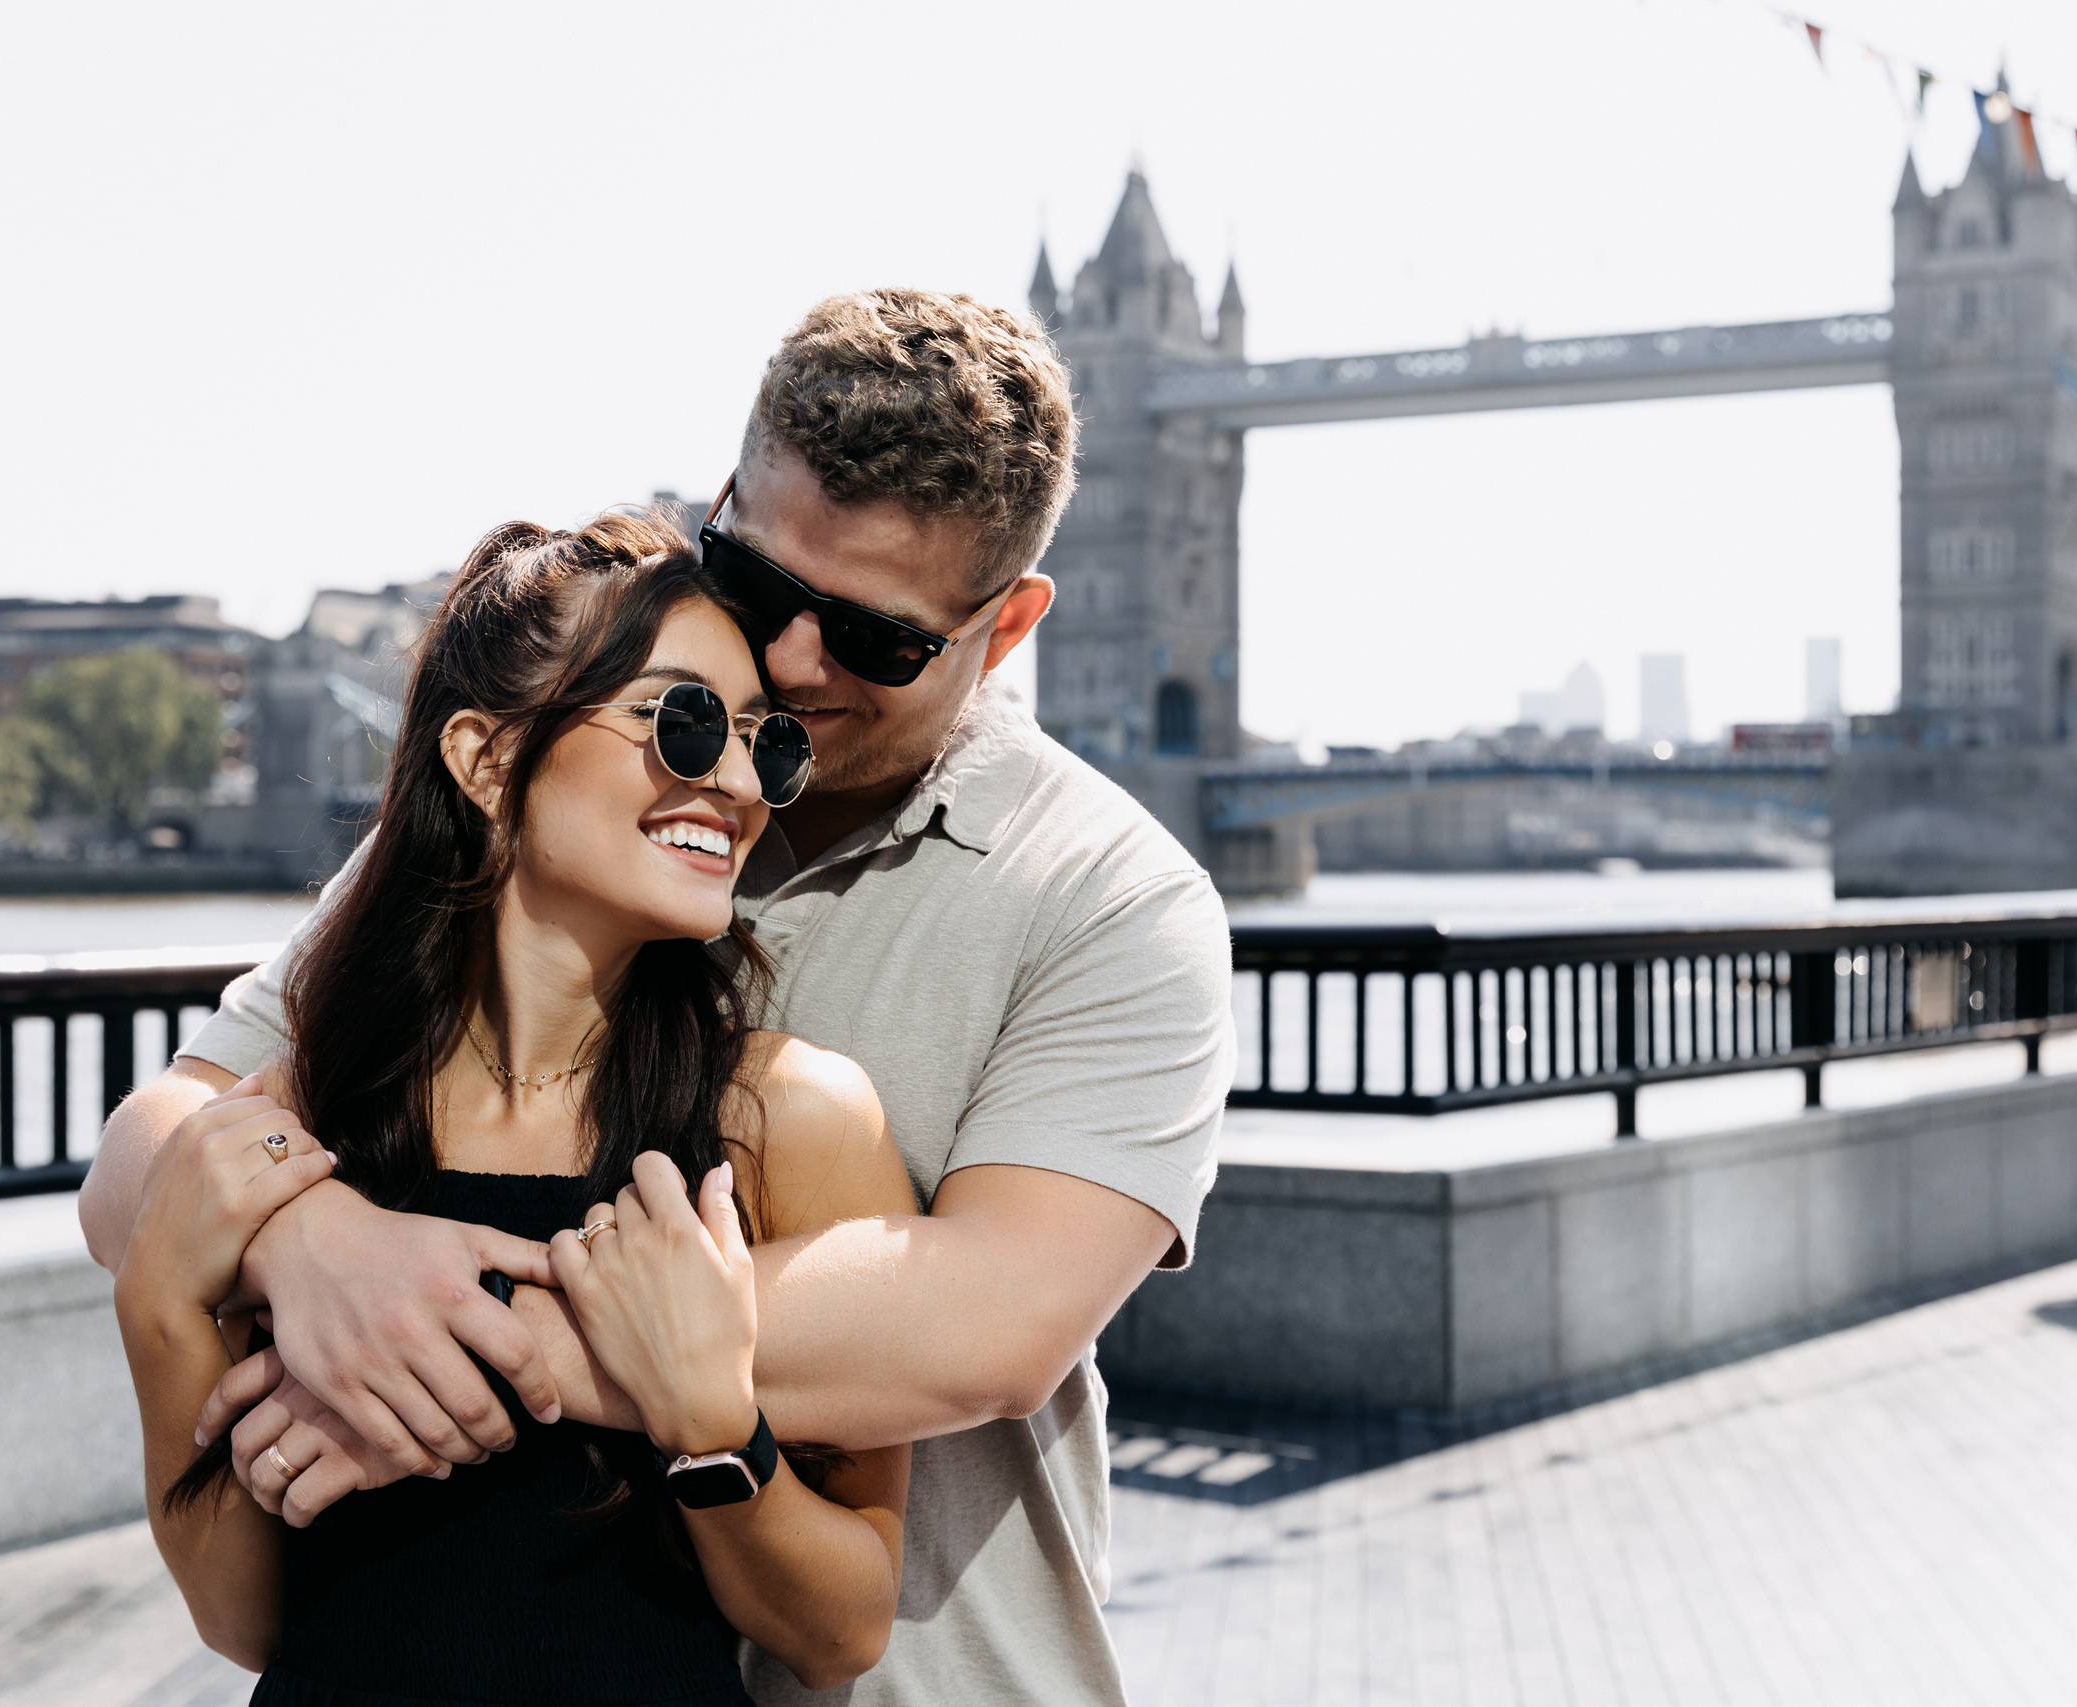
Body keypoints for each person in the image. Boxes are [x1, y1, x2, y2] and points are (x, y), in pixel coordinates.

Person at [82, 288, 1235, 1705]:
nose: (793, 668)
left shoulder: (1115, 898)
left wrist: (438, 1344)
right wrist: (313, 1244)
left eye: (878, 640)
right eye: (756, 583)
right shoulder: (509, 826)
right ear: (717, 510)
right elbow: (157, 1147)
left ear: (1005, 629)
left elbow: (990, 1323)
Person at [116, 512, 920, 1703]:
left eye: (767, 742)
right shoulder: (303, 1117)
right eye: (685, 722)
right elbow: (247, 1621)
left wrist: (707, 1423)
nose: (740, 783)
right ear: (487, 762)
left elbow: (842, 1632)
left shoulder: (787, 1119)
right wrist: (159, 1304)